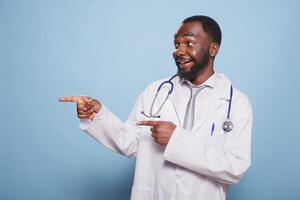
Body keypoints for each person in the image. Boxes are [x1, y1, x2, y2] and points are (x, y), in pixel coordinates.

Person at [59, 15, 252, 200]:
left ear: (213, 49)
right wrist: (98, 116)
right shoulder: (156, 91)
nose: (179, 51)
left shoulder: (236, 103)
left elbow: (235, 168)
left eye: (189, 43)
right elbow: (132, 143)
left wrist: (176, 140)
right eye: (177, 44)